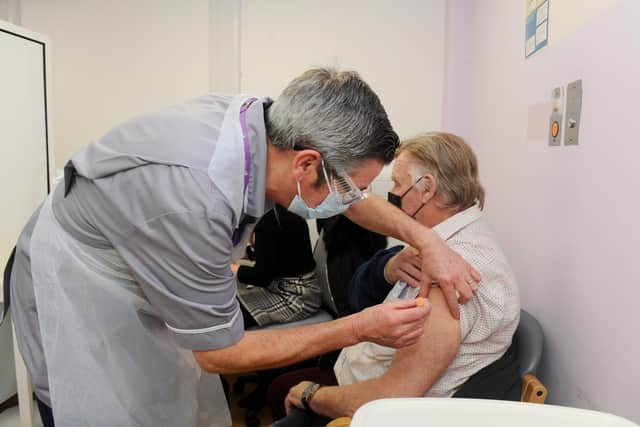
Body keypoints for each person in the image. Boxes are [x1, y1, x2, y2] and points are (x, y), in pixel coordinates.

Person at [4, 69, 477, 426]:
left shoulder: (267, 129)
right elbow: (218, 354)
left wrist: (426, 239)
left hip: (134, 247)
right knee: (99, 404)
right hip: (82, 276)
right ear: (306, 163)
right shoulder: (193, 199)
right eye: (352, 187)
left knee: (165, 394)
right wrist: (357, 328)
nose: (355, 201)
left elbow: (347, 201)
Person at [277, 132, 520, 423]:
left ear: (427, 188)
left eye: (396, 183)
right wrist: (387, 269)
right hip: (360, 378)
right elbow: (358, 296)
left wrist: (310, 394)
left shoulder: (452, 274)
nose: (391, 193)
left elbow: (392, 397)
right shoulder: (438, 240)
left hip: (372, 410)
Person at [232, 204, 320, 328]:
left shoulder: (269, 220)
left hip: (298, 298)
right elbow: (280, 255)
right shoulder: (278, 209)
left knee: (225, 314)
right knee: (227, 297)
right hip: (301, 289)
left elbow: (261, 277)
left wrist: (232, 270)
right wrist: (249, 253)